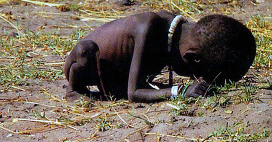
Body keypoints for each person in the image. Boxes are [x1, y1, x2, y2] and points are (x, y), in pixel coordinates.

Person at [64, 10, 256, 102]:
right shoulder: (148, 29)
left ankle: (112, 89)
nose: (197, 79)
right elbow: (134, 93)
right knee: (85, 51)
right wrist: (179, 91)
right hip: (86, 65)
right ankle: (74, 91)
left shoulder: (178, 33)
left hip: (116, 75)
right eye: (197, 74)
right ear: (191, 58)